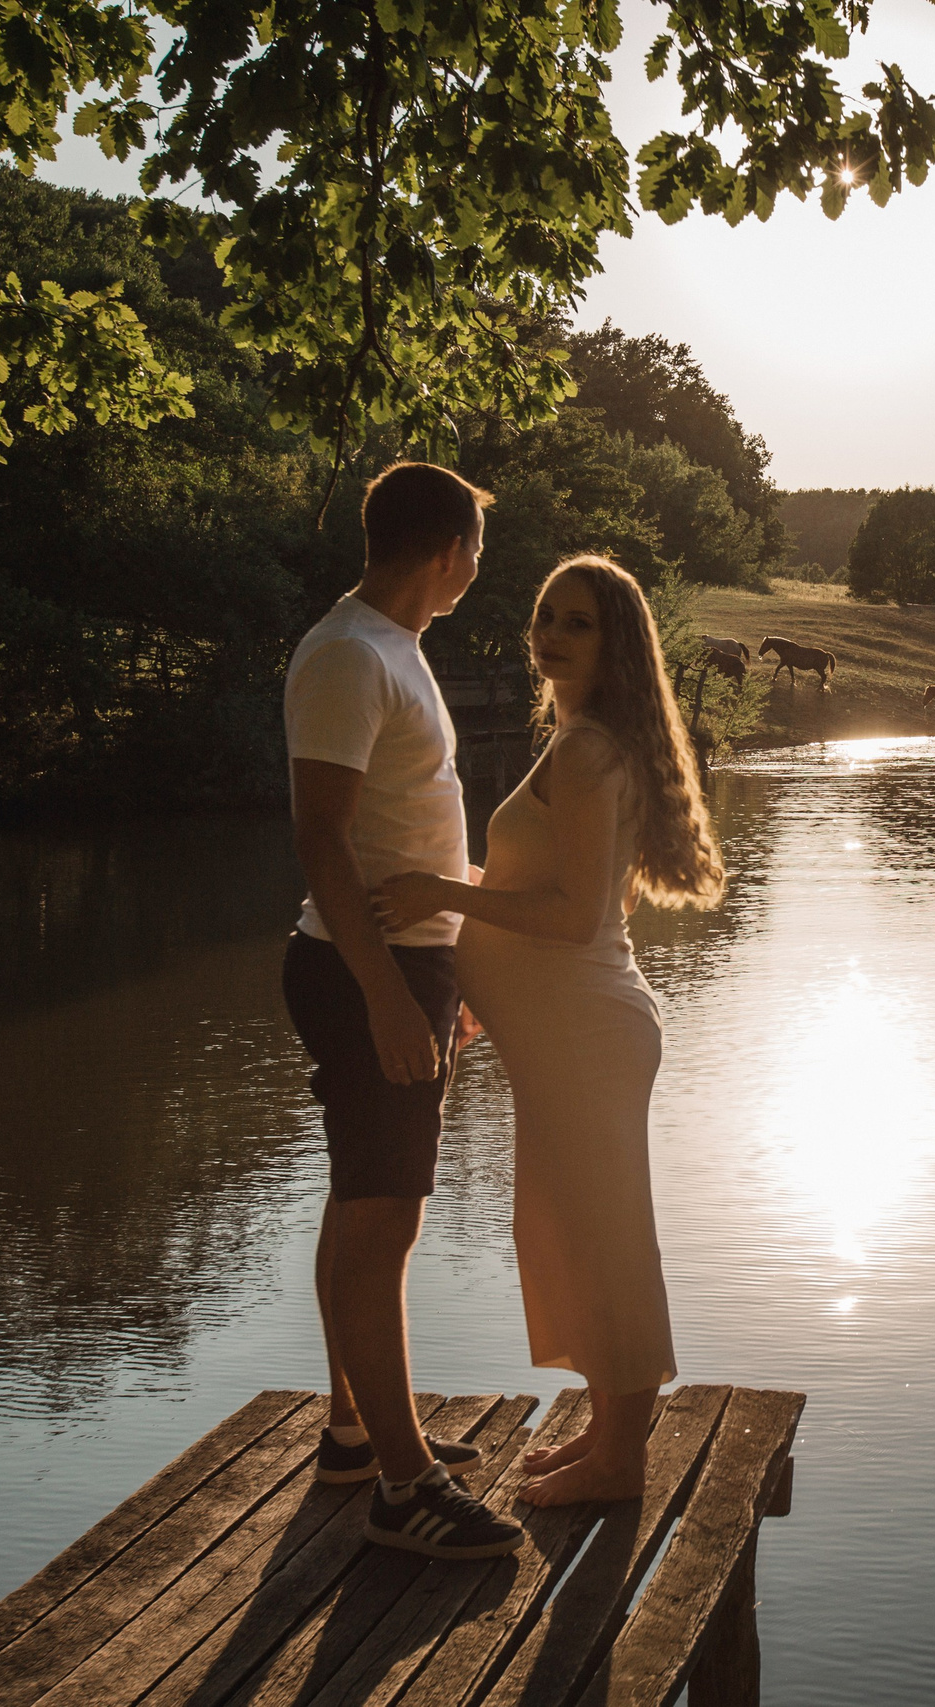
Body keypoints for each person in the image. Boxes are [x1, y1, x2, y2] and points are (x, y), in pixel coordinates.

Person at [376, 555, 726, 1506]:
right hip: (568, 1029)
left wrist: (439, 895)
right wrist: (491, 984)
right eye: (545, 617)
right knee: (577, 1230)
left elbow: (573, 915)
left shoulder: (584, 752)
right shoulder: (578, 740)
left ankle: (620, 1463)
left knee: (604, 1237)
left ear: (615, 641)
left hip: (586, 1032)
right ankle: (610, 1437)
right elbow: (554, 902)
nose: (552, 636)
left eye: (577, 622)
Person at [281, 460, 524, 1560]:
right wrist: (386, 996)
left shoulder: (393, 648)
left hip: (409, 963)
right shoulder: (345, 653)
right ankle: (399, 1485)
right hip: (363, 969)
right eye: (476, 546)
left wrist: (452, 973)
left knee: (365, 1207)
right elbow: (322, 836)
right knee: (385, 1222)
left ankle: (348, 1431)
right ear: (449, 551)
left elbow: (412, 830)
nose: (479, 565)